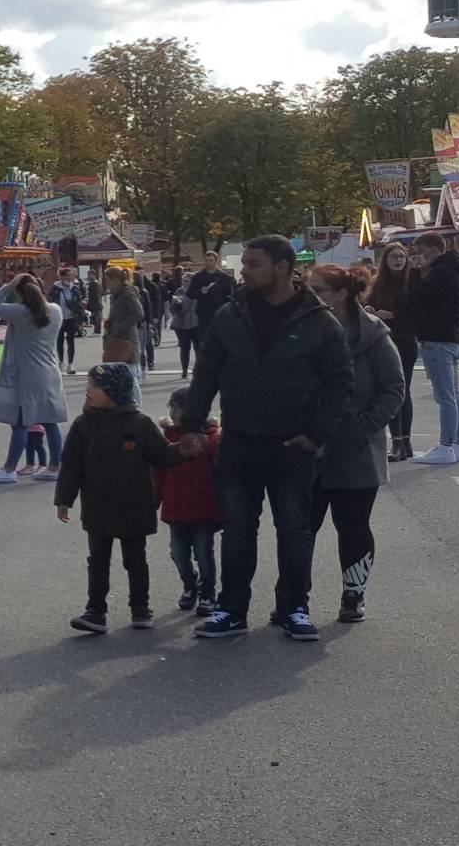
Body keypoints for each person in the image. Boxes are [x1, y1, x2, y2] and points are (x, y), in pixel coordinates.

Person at [170, 235, 354, 641]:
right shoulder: (229, 315)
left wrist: (316, 433)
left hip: (293, 446)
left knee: (294, 529)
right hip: (239, 441)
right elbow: (206, 374)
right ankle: (231, 610)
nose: (245, 270)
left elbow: (341, 382)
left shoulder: (319, 320)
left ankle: (294, 608)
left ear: (283, 268)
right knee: (237, 530)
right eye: (246, 263)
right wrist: (192, 426)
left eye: (255, 264)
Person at [57, 363, 196, 633]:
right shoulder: (83, 425)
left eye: (95, 386)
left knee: (135, 559)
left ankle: (140, 607)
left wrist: (183, 450)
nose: (88, 390)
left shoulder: (139, 423)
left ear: (115, 391)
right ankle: (95, 611)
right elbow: (71, 465)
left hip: (135, 504)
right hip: (98, 505)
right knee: (98, 560)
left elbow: (160, 455)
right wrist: (65, 498)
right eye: (89, 384)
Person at [308, 266, 406, 623]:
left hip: (356, 447)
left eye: (318, 290)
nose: (311, 296)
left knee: (352, 526)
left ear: (342, 294)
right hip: (309, 444)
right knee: (300, 525)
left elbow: (394, 388)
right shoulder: (303, 330)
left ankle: (354, 594)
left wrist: (363, 425)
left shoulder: (374, 336)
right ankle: (293, 598)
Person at [0, 274, 68, 486]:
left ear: (20, 295)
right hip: (51, 371)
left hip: (27, 374)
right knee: (50, 421)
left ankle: (9, 469)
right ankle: (55, 466)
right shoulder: (56, 310)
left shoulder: (20, 313)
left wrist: (10, 284)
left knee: (20, 422)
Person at [405, 234, 459, 464]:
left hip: (437, 339)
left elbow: (415, 297)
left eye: (422, 251)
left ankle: (446, 447)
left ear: (434, 249)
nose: (420, 257)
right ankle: (458, 443)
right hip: (452, 338)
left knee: (445, 397)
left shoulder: (441, 273)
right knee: (454, 395)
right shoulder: (457, 270)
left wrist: (414, 272)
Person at [157, 405, 222, 614]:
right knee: (178, 553)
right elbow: (157, 471)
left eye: (178, 407)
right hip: (175, 506)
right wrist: (154, 498)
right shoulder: (168, 437)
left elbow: (220, 472)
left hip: (204, 507)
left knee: (204, 553)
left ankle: (208, 593)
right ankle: (190, 585)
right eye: (171, 406)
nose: (174, 412)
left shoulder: (211, 438)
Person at [365, 241, 422, 461]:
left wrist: (393, 315)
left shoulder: (412, 282)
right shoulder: (377, 284)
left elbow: (417, 313)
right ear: (385, 261)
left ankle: (403, 441)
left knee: (402, 391)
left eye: (401, 256)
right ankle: (397, 440)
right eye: (393, 257)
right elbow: (366, 305)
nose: (398, 260)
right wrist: (369, 309)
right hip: (383, 342)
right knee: (388, 390)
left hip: (405, 340)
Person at [101, 267, 144, 365]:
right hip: (115, 338)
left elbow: (138, 313)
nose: (106, 283)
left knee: (128, 368)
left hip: (126, 338)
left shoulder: (127, 293)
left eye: (108, 280)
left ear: (116, 279)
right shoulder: (115, 294)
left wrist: (119, 327)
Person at [52, 272, 84, 368]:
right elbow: (51, 302)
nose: (69, 278)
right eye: (67, 275)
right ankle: (61, 361)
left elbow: (80, 304)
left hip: (71, 317)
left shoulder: (74, 288)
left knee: (71, 341)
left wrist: (80, 320)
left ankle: (70, 363)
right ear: (62, 277)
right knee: (59, 340)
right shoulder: (56, 288)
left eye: (70, 276)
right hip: (59, 318)